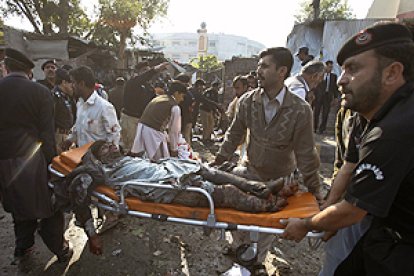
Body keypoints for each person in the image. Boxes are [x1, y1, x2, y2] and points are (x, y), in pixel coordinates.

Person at [281, 22, 414, 276]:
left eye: (353, 69)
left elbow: (353, 210)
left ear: (392, 73)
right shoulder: (371, 115)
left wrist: (306, 224)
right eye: (342, 70)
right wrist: (327, 214)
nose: (341, 80)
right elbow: (348, 167)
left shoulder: (394, 131)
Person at [211, 47, 321, 272]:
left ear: (282, 71)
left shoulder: (300, 110)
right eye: (258, 65)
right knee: (239, 219)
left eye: (264, 66)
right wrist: (218, 160)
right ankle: (242, 253)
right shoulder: (247, 101)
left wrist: (316, 190)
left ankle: (255, 262)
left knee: (265, 229)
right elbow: (234, 134)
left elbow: (306, 153)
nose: (258, 70)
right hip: (249, 173)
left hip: (280, 179)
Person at [0, 48, 71, 263]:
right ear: (30, 72)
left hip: (3, 160)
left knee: (19, 207)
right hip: (31, 160)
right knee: (49, 206)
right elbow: (46, 135)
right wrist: (53, 166)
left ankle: (23, 248)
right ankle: (59, 249)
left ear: (7, 68)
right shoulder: (40, 92)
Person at [61, 66, 120, 150]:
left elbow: (114, 136)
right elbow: (78, 127)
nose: (72, 86)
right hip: (81, 156)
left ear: (81, 84)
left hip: (98, 160)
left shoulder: (104, 107)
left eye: (73, 82)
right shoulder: (80, 104)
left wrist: (107, 157)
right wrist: (69, 140)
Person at [130, 80, 187, 161]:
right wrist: (174, 149)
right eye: (182, 96)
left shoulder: (159, 98)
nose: (182, 99)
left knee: (143, 159)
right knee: (159, 161)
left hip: (142, 128)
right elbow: (174, 131)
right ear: (176, 93)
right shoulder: (174, 107)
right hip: (153, 133)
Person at [120, 61, 169, 152]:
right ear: (137, 72)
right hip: (130, 119)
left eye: (147, 70)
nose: (146, 73)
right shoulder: (132, 83)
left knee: (143, 148)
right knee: (131, 148)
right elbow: (143, 78)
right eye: (144, 70)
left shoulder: (149, 87)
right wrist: (155, 70)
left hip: (143, 120)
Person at [52, 68, 77, 154]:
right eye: (71, 83)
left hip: (69, 135)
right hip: (60, 136)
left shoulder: (68, 97)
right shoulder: (54, 97)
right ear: (64, 83)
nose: (73, 86)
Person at [313, 60, 339, 134]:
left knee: (325, 113)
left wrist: (335, 97)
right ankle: (315, 128)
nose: (330, 68)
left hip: (328, 97)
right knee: (316, 112)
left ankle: (322, 129)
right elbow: (316, 85)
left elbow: (335, 88)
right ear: (326, 67)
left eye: (331, 67)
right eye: (329, 67)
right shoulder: (320, 75)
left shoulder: (334, 76)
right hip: (319, 97)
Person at [175, 73, 195, 145]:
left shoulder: (183, 93)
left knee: (184, 138)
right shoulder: (189, 93)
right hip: (188, 117)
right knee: (187, 137)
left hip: (183, 118)